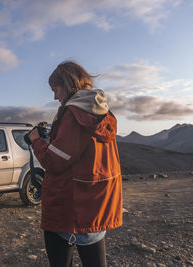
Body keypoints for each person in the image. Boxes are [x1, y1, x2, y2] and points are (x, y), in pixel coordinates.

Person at [28, 61, 123, 267]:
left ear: (67, 84)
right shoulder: (101, 113)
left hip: (69, 208)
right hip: (94, 207)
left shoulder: (74, 115)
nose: (55, 97)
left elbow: (54, 162)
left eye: (55, 89)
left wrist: (36, 140)